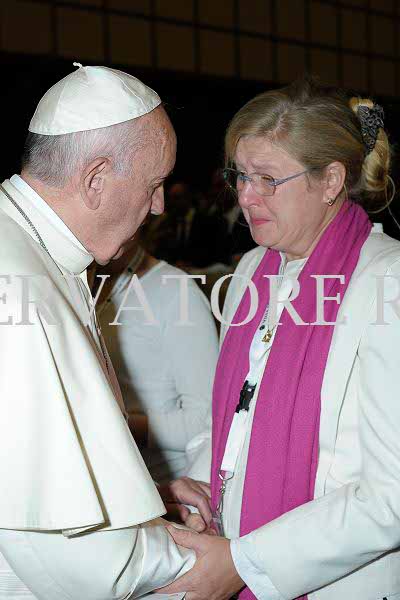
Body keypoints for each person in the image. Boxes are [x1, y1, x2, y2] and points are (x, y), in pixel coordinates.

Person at [160, 78, 400, 600]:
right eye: (240, 177)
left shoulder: (388, 283)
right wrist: (204, 484)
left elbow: (392, 495)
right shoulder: (252, 269)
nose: (247, 197)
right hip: (236, 538)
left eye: (268, 179)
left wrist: (246, 563)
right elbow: (234, 416)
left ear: (331, 180)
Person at [0, 64, 213, 599]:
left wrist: (142, 499)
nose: (160, 205)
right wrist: (211, 559)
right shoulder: (18, 287)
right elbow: (75, 561)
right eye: (154, 183)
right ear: (95, 179)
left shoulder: (37, 252)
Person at [92, 235, 219, 484]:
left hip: (163, 488)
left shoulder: (176, 292)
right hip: (106, 480)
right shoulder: (81, 281)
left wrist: (119, 425)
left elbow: (206, 422)